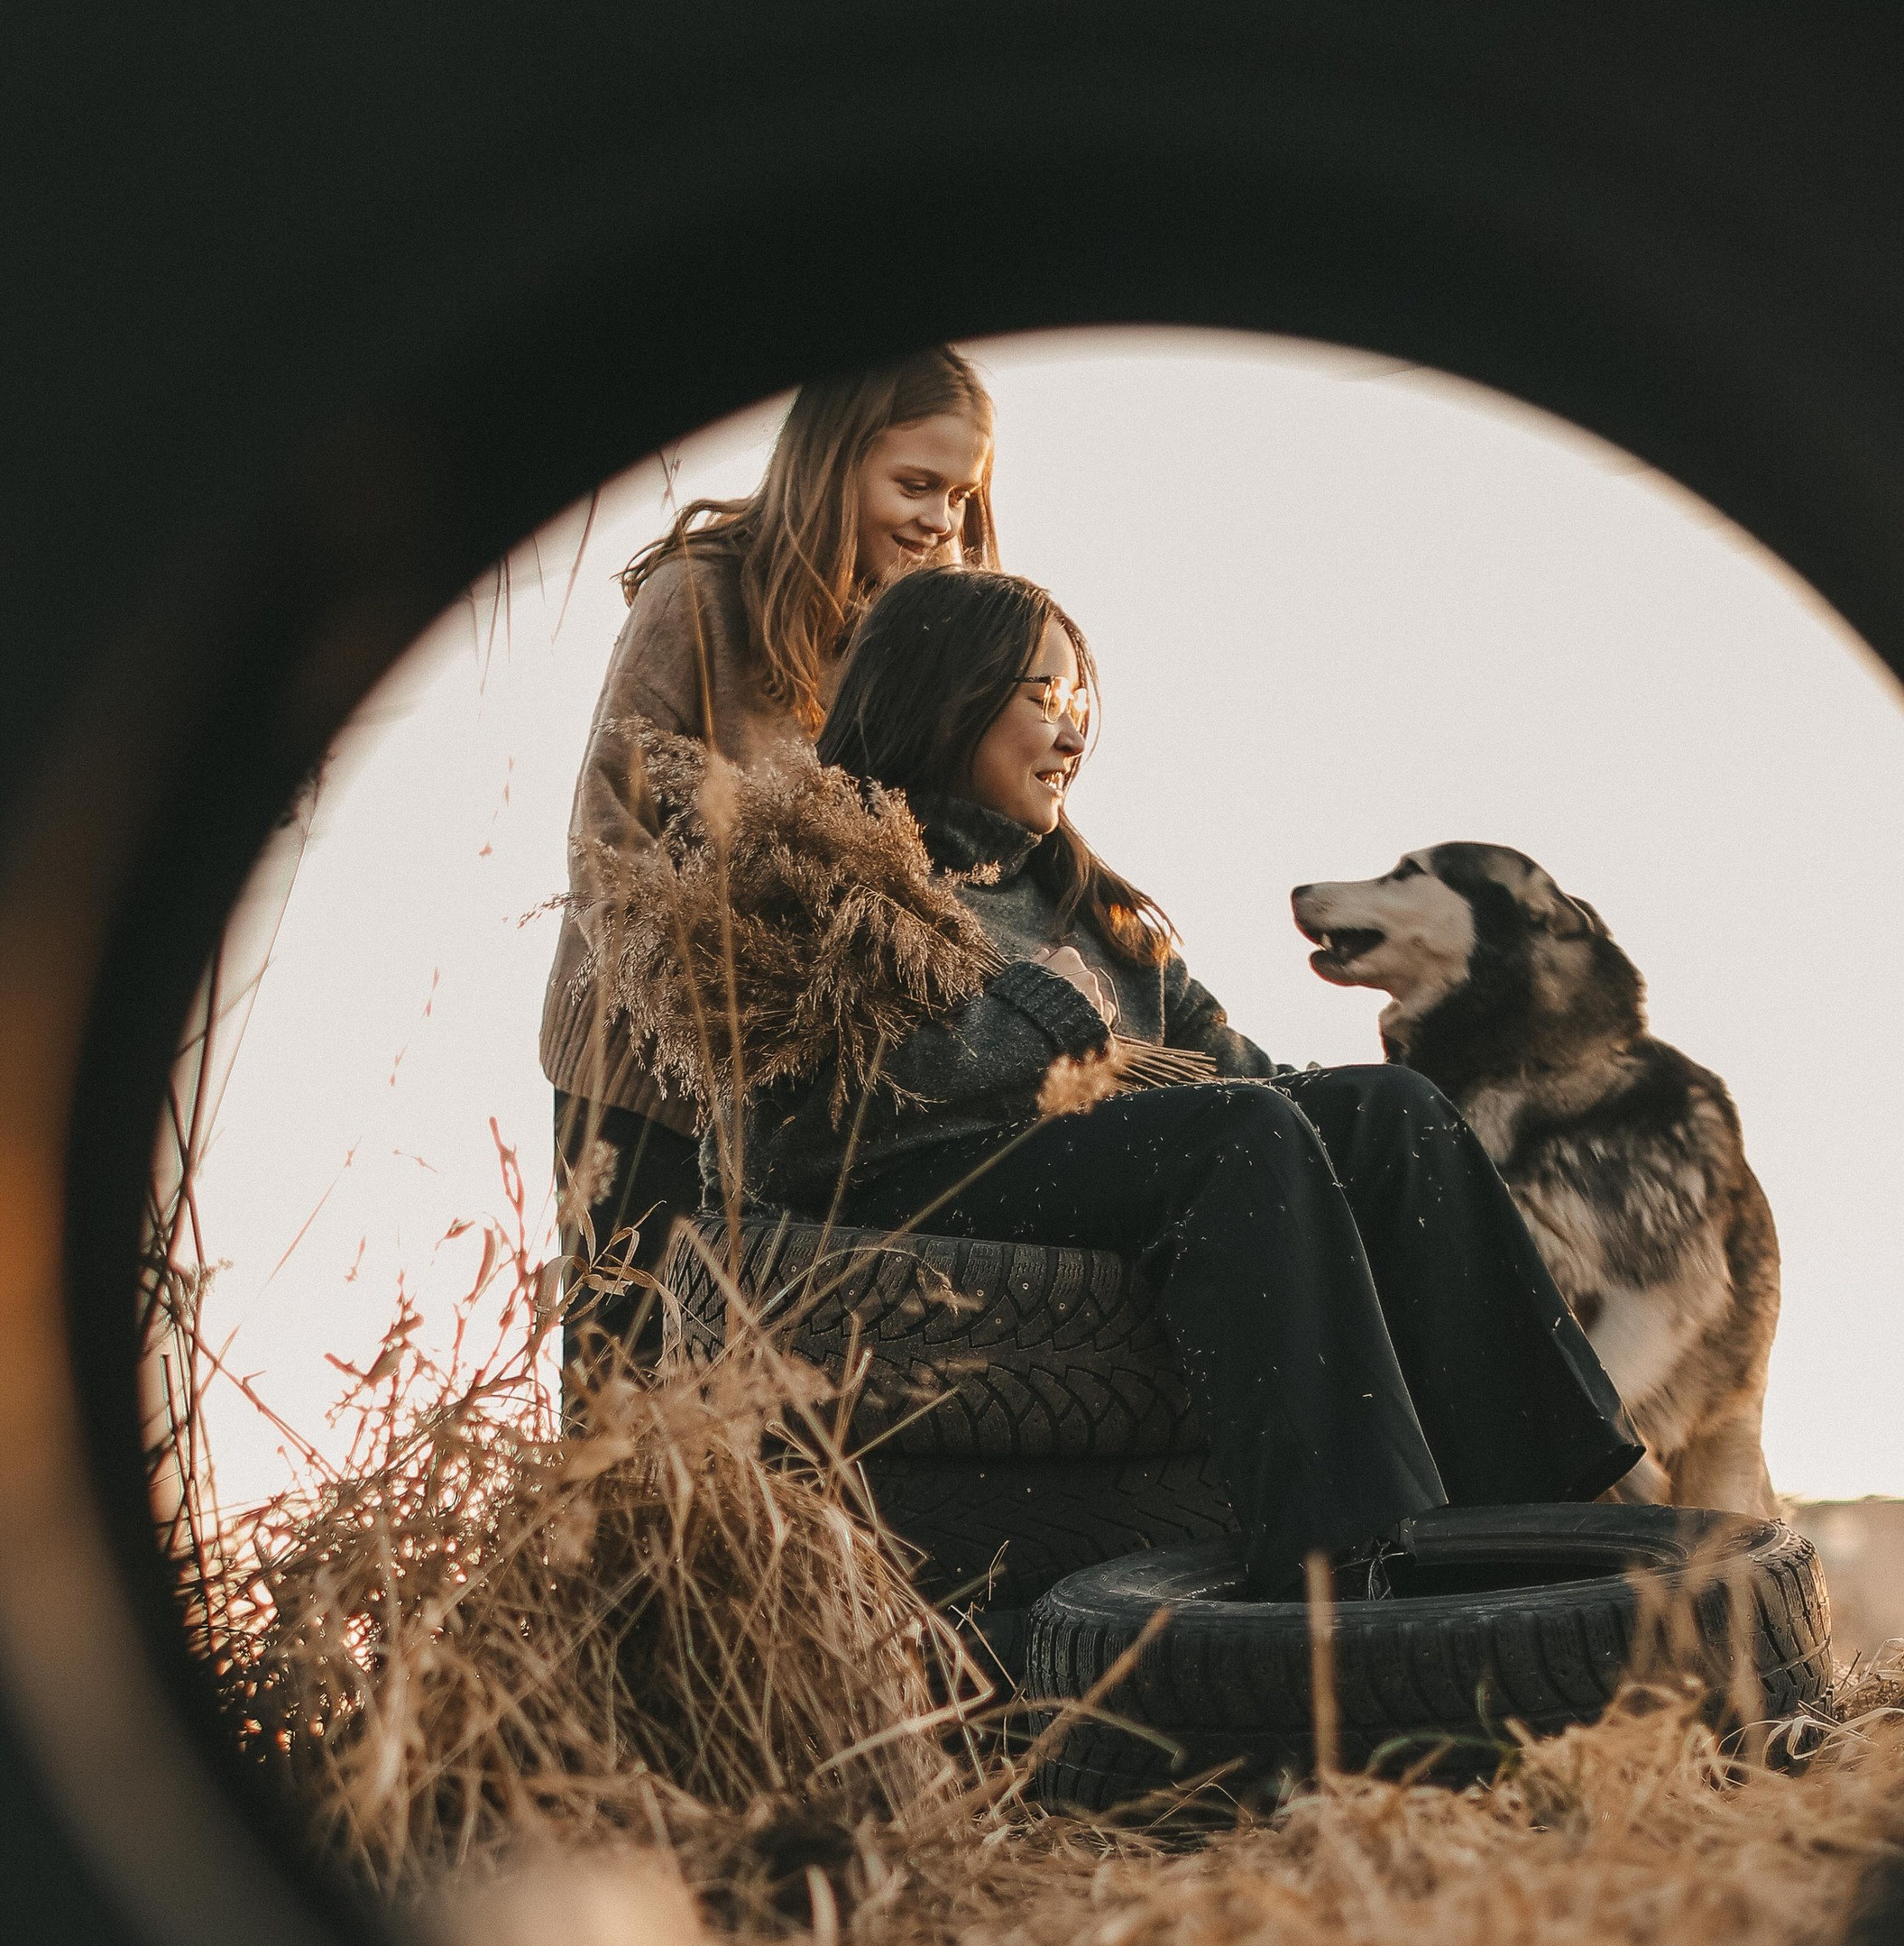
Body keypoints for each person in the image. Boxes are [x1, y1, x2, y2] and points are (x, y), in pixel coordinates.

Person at [600, 565, 1640, 1595]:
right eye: (1041, 700)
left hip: (1085, 1166)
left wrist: (1346, 1114)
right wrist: (1038, 1024)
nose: (1072, 733)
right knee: (1234, 1135)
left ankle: (1545, 1508)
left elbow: (1230, 1072)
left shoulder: (1083, 899)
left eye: (1077, 701)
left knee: (1385, 1110)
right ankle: (1355, 1565)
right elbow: (802, 1103)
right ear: (942, 693)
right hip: (898, 1200)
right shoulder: (820, 859)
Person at [543, 347, 997, 1366]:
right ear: (829, 467)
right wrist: (705, 1013)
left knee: (775, 1387)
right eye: (914, 485)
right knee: (629, 1370)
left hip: (810, 1095)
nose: (939, 521)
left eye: (960, 496)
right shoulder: (699, 599)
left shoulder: (913, 647)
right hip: (644, 1070)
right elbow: (608, 840)